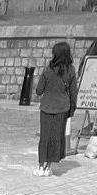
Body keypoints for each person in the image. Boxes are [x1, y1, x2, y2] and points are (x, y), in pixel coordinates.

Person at [35, 42, 78, 176]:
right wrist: (72, 110)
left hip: (47, 107)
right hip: (62, 108)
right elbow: (73, 93)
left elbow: (39, 90)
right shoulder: (71, 70)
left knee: (44, 137)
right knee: (56, 137)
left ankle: (41, 166)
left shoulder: (48, 70)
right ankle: (49, 166)